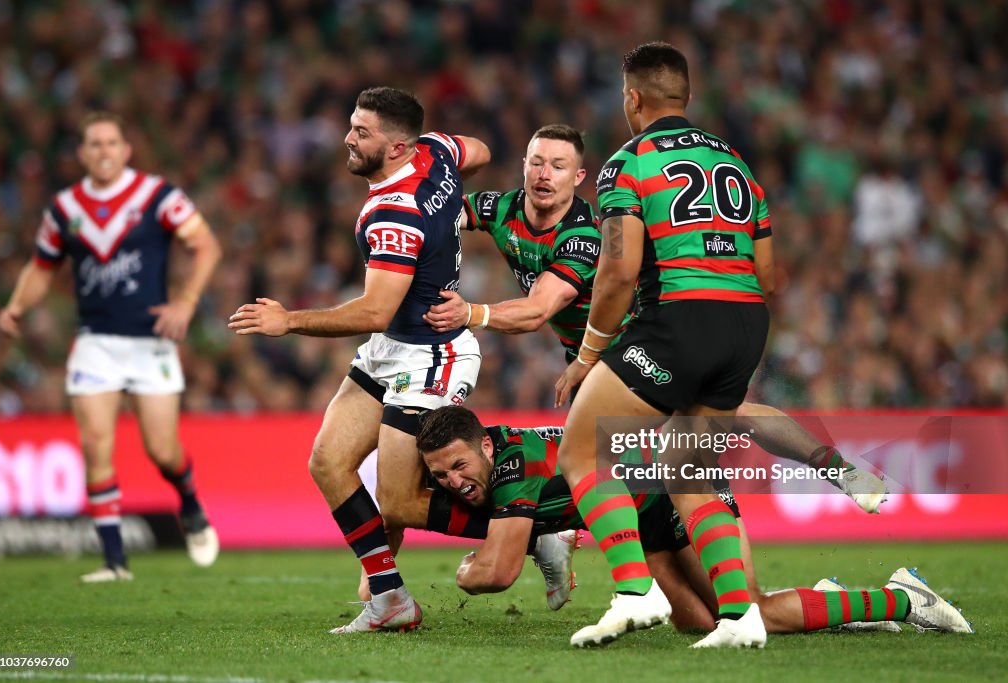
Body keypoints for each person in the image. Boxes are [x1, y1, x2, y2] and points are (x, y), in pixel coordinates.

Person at [423, 124, 886, 513]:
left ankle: (611, 558)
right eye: (537, 163)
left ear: (578, 176)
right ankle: (797, 483)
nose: (545, 175)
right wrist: (408, 198)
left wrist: (470, 312)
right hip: (599, 351)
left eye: (558, 167)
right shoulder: (499, 208)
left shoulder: (582, 235)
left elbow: (537, 310)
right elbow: (439, 214)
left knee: (600, 451)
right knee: (676, 437)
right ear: (523, 165)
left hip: (630, 341)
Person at [228, 87, 491, 633]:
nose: (347, 138)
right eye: (352, 125)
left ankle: (536, 527)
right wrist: (452, 218)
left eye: (361, 132)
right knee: (328, 461)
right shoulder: (436, 151)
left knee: (396, 501)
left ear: (396, 148)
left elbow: (374, 309)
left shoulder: (395, 212)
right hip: (392, 348)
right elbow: (481, 150)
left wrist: (289, 320)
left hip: (430, 353)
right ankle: (391, 600)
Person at [552, 41, 776, 649]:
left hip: (679, 320)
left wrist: (589, 353)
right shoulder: (736, 163)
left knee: (581, 452)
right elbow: (770, 270)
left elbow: (618, 272)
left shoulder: (628, 162)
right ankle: (740, 617)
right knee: (691, 473)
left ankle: (633, 591)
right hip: (747, 322)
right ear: (687, 97)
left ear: (633, 97)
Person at [416, 406, 973, 638]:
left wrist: (466, 571)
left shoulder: (512, 469)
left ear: (485, 444)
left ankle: (903, 598)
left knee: (750, 615)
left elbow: (495, 571)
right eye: (440, 477)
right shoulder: (503, 463)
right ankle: (824, 599)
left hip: (675, 490)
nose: (454, 484)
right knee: (698, 626)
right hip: (641, 514)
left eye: (459, 466)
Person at [0, 111, 223, 582]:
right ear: (82, 154)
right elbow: (42, 266)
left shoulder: (156, 196)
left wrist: (185, 300)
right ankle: (115, 561)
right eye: (94, 144)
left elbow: (205, 245)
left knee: (162, 451)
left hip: (150, 343)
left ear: (126, 150)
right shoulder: (65, 208)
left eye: (111, 143)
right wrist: (17, 305)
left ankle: (189, 501)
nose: (103, 151)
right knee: (95, 445)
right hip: (95, 343)